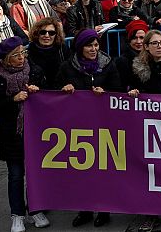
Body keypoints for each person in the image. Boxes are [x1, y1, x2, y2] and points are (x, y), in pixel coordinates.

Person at [53, 29, 121, 228]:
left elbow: (117, 90)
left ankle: (104, 209)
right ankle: (84, 209)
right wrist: (64, 90)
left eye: (96, 45)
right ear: (80, 47)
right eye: (89, 45)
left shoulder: (108, 64)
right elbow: (55, 91)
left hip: (103, 125)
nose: (93, 49)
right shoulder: (67, 67)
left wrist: (106, 93)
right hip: (78, 126)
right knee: (81, 169)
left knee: (103, 168)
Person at [0, 37, 50, 232]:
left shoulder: (35, 71)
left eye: (23, 53)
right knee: (15, 175)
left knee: (35, 173)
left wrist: (37, 92)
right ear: (6, 59)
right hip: (11, 133)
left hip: (35, 131)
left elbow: (49, 97)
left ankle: (36, 209)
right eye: (16, 55)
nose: (22, 57)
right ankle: (17, 214)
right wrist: (12, 99)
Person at [27, 18, 70, 85]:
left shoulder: (63, 49)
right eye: (43, 32)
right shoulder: (29, 51)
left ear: (56, 35)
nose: (47, 36)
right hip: (38, 90)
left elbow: (70, 72)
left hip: (60, 89)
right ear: (37, 33)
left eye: (51, 33)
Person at [115, 20, 149, 90]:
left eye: (142, 38)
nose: (138, 42)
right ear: (129, 40)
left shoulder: (153, 56)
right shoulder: (123, 61)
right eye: (134, 38)